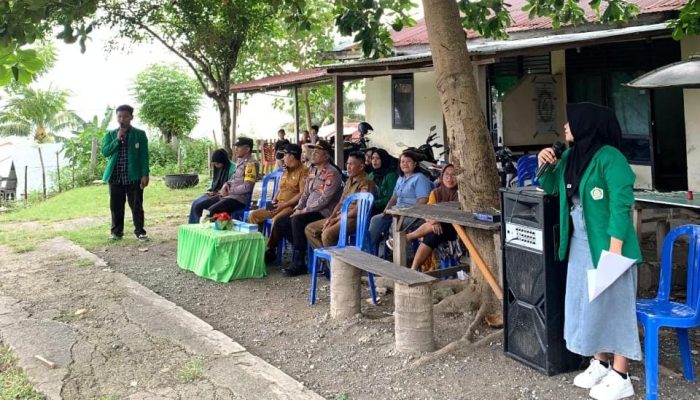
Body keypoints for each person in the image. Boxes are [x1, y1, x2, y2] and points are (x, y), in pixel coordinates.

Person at [538, 102, 642, 400]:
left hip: (610, 241)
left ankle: (621, 374)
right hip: (580, 240)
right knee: (587, 300)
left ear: (588, 124)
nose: (566, 127)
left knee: (614, 304)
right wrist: (544, 162)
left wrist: (615, 251)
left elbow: (621, 205)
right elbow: (551, 188)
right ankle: (600, 360)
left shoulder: (611, 158)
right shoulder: (571, 156)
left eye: (571, 122)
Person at [275, 140, 343, 276]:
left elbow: (324, 200)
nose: (313, 154)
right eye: (313, 152)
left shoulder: (332, 173)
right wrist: (298, 208)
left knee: (297, 221)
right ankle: (304, 248)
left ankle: (299, 262)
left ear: (326, 156)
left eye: (317, 152)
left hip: (323, 212)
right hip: (307, 210)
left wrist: (304, 211)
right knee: (281, 222)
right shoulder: (312, 170)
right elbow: (305, 193)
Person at [387, 164, 458, 271]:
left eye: (453, 175)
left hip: (456, 229)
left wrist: (437, 220)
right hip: (438, 229)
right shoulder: (436, 192)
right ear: (442, 176)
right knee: (433, 235)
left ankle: (408, 238)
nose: (450, 178)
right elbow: (427, 213)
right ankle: (413, 269)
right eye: (446, 174)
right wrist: (434, 221)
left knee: (435, 230)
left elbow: (456, 215)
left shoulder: (461, 193)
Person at [247, 143, 309, 263]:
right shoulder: (286, 170)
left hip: (291, 206)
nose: (283, 158)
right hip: (278, 204)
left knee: (277, 220)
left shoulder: (304, 171)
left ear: (292, 156)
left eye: (285, 155)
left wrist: (284, 205)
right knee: (254, 215)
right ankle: (255, 246)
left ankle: (270, 249)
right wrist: (274, 200)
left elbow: (302, 194)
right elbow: (281, 188)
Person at [305, 151, 376, 250]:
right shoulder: (349, 181)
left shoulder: (366, 182)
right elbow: (340, 203)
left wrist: (337, 219)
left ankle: (334, 262)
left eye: (351, 164)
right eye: (347, 163)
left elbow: (358, 210)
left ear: (361, 167)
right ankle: (328, 259)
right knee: (310, 229)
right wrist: (331, 217)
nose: (348, 167)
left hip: (355, 219)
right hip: (341, 216)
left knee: (327, 234)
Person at [367, 151, 433, 256]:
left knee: (397, 224)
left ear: (415, 164)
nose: (405, 164)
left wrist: (406, 212)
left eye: (408, 161)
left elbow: (422, 201)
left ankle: (404, 258)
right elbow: (394, 197)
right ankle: (367, 250)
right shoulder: (400, 178)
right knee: (376, 219)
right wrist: (386, 210)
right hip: (396, 211)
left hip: (413, 214)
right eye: (402, 161)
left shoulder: (419, 178)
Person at [101, 104, 150, 241]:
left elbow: (144, 156)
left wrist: (145, 174)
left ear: (131, 117)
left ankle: (140, 231)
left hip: (133, 176)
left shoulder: (139, 134)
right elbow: (105, 152)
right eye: (119, 116)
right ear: (117, 117)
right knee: (116, 206)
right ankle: (116, 232)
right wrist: (117, 139)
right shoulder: (110, 134)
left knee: (136, 205)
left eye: (125, 116)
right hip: (115, 176)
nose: (122, 119)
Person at [196, 137, 257, 221]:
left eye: (238, 147)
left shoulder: (251, 164)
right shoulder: (240, 161)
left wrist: (230, 190)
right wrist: (226, 184)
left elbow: (247, 187)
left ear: (247, 149)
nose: (236, 150)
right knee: (199, 207)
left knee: (209, 212)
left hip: (238, 199)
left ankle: (217, 231)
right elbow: (233, 178)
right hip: (228, 196)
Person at [187, 149, 234, 224]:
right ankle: (192, 226)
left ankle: (200, 225)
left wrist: (217, 193)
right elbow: (214, 182)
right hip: (214, 193)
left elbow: (230, 187)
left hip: (223, 196)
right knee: (195, 202)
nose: (216, 166)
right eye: (215, 164)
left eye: (217, 163)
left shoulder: (233, 169)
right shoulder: (218, 167)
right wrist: (210, 190)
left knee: (200, 206)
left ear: (223, 161)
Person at [367, 148, 398, 215]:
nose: (374, 161)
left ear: (384, 160)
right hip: (370, 207)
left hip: (385, 209)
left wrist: (373, 203)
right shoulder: (371, 175)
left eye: (378, 158)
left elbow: (390, 197)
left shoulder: (391, 176)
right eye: (372, 158)